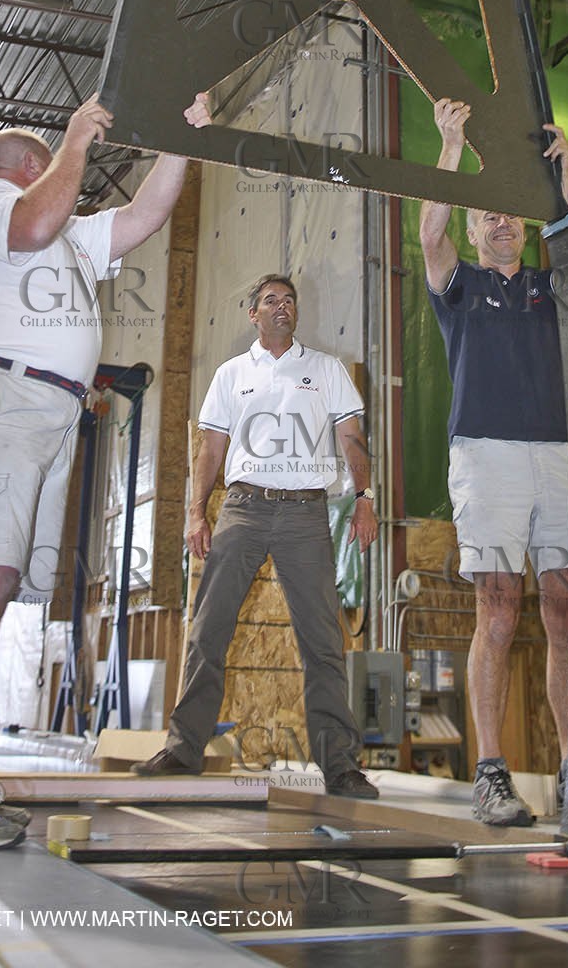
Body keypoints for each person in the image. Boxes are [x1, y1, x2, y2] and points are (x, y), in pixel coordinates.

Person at [0, 92, 211, 850]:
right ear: (30, 166)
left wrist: (180, 138)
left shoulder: (71, 232)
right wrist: (76, 142)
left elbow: (143, 216)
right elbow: (33, 222)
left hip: (43, 410)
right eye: (52, 163)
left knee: (1, 581)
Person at [136, 274, 379, 799]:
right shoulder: (231, 374)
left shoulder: (326, 370)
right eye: (271, 300)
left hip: (306, 515)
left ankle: (339, 765)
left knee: (323, 642)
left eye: (289, 300)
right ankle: (182, 749)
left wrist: (366, 498)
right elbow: (210, 450)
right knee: (208, 629)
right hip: (242, 508)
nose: (283, 307)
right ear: (253, 314)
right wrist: (197, 512)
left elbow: (353, 438)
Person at [419, 100, 568, 827]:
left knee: (563, 605)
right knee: (497, 603)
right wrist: (449, 146)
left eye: (512, 215)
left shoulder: (550, 288)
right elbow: (429, 232)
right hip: (485, 453)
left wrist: (565, 177)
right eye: (487, 216)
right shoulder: (461, 289)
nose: (501, 223)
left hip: (557, 452)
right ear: (474, 229)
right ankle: (491, 772)